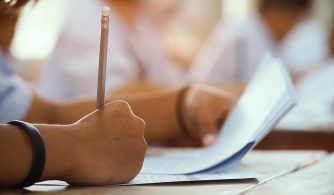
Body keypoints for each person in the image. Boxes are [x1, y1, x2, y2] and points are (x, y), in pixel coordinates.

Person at [0, 0, 236, 188]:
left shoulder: (141, 25)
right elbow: (119, 92)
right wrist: (75, 148)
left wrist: (184, 107)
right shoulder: (86, 16)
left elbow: (39, 112)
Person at [37, 0, 184, 101]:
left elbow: (170, 79)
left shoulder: (141, 25)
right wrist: (187, 99)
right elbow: (114, 96)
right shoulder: (86, 16)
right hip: (73, 142)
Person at [189, 0, 328, 91]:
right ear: (277, 11)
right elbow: (199, 87)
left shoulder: (266, 37)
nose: (293, 27)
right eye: (293, 18)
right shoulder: (242, 35)